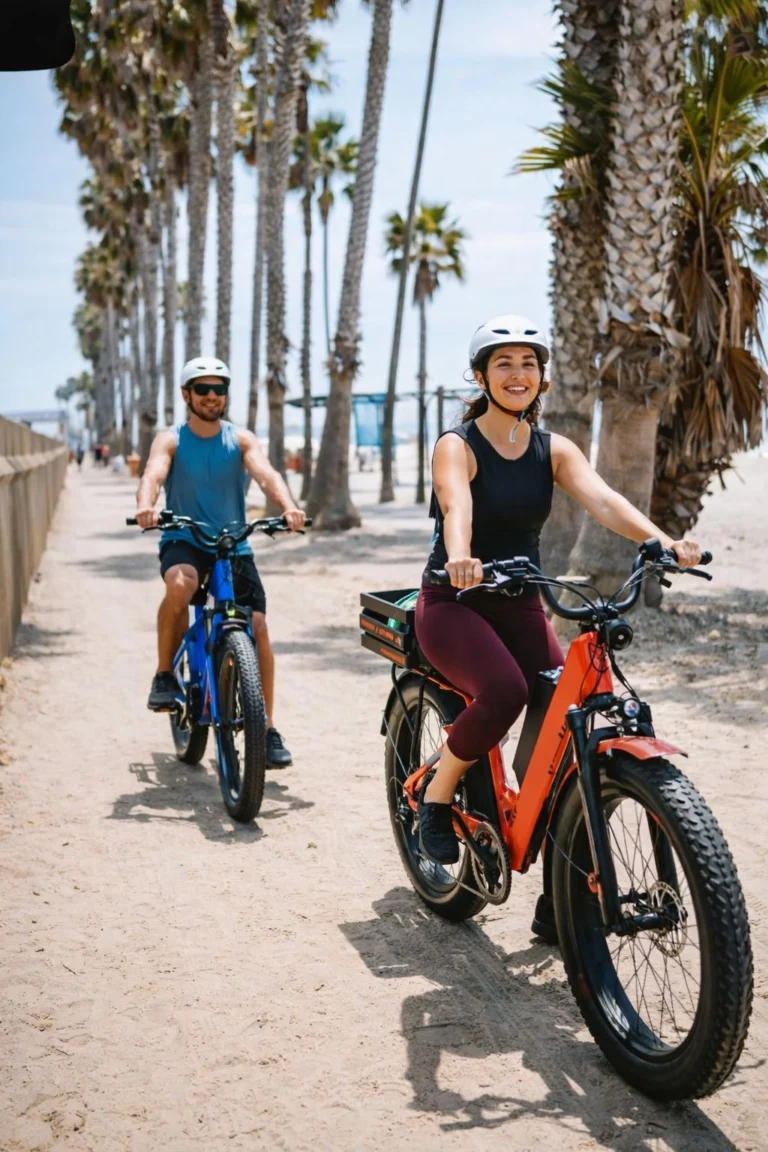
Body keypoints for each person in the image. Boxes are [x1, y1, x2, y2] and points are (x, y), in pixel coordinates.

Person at [414, 314, 703, 875]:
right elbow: (456, 505)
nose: (517, 374)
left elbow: (604, 500)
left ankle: (545, 846)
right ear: (480, 377)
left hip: (521, 599)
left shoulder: (554, 449)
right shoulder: (458, 445)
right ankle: (437, 795)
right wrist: (460, 556)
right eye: (503, 364)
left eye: (528, 364)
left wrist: (664, 542)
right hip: (455, 601)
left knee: (565, 704)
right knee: (506, 691)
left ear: (542, 378)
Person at [135, 356, 306, 769]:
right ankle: (164, 674)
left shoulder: (240, 438)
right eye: (203, 389)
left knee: (258, 626)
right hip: (184, 538)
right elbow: (153, 473)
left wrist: (288, 507)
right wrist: (146, 506)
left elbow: (266, 474)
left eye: (219, 389)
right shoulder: (171, 439)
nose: (212, 396)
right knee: (181, 584)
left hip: (233, 545)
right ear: (187, 395)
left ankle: (266, 729)